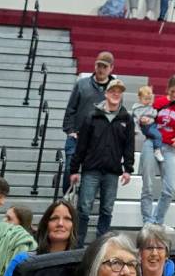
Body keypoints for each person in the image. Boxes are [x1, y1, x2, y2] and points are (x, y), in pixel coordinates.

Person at [71, 76, 134, 247]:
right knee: (84, 208)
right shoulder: (91, 116)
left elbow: (129, 145)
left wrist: (128, 169)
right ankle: (78, 244)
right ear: (106, 93)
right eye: (112, 91)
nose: (115, 95)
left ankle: (101, 246)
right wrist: (74, 169)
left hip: (112, 171)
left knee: (107, 209)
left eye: (119, 93)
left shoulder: (126, 118)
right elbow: (81, 145)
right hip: (91, 169)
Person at [141, 74, 175, 227]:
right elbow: (146, 120)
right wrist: (144, 122)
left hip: (169, 148)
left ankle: (157, 221)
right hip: (151, 144)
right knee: (148, 185)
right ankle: (147, 221)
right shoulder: (159, 102)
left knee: (169, 187)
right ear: (167, 89)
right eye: (172, 91)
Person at [63, 51, 115, 191]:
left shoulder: (115, 89)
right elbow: (70, 109)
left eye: (105, 67)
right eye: (99, 65)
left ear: (111, 68)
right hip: (77, 137)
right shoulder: (81, 84)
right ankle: (65, 205)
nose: (101, 69)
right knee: (69, 169)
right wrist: (70, 131)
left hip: (98, 141)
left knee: (89, 178)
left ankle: (80, 208)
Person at [134, 85, 166, 164]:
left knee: (163, 130)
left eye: (149, 99)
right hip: (146, 126)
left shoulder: (151, 105)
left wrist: (152, 116)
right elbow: (135, 119)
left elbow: (155, 114)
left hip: (153, 123)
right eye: (145, 99)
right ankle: (157, 150)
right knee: (158, 135)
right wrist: (141, 120)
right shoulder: (138, 108)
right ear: (140, 98)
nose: (148, 101)